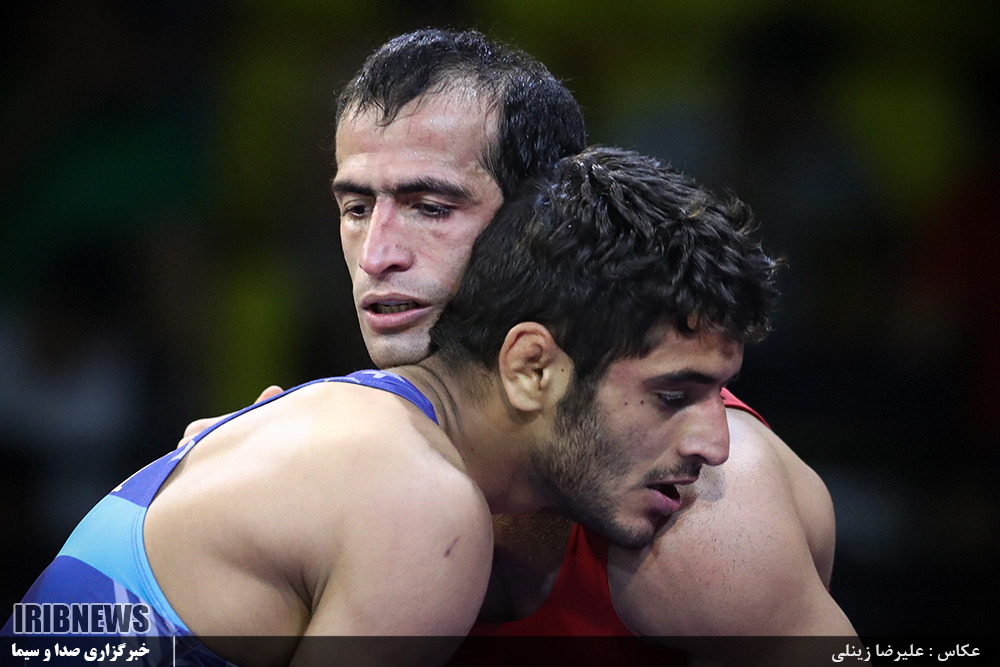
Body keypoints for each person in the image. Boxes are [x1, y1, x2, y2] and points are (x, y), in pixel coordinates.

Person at [182, 29, 855, 659]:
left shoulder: (705, 514)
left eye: (431, 208)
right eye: (357, 209)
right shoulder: (326, 454)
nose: (378, 255)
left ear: (539, 217)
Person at [5, 146, 779, 667]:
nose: (716, 441)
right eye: (675, 394)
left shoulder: (349, 427)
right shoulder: (418, 502)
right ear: (531, 368)